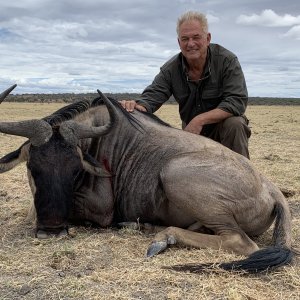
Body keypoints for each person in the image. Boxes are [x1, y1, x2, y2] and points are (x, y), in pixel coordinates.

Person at [120, 11, 251, 159]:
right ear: (179, 42)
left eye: (196, 37)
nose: (190, 44)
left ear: (207, 38)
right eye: (185, 39)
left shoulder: (227, 61)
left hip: (222, 130)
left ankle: (245, 179)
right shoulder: (170, 69)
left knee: (235, 124)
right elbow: (152, 96)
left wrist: (199, 120)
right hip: (191, 134)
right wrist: (135, 107)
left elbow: (236, 101)